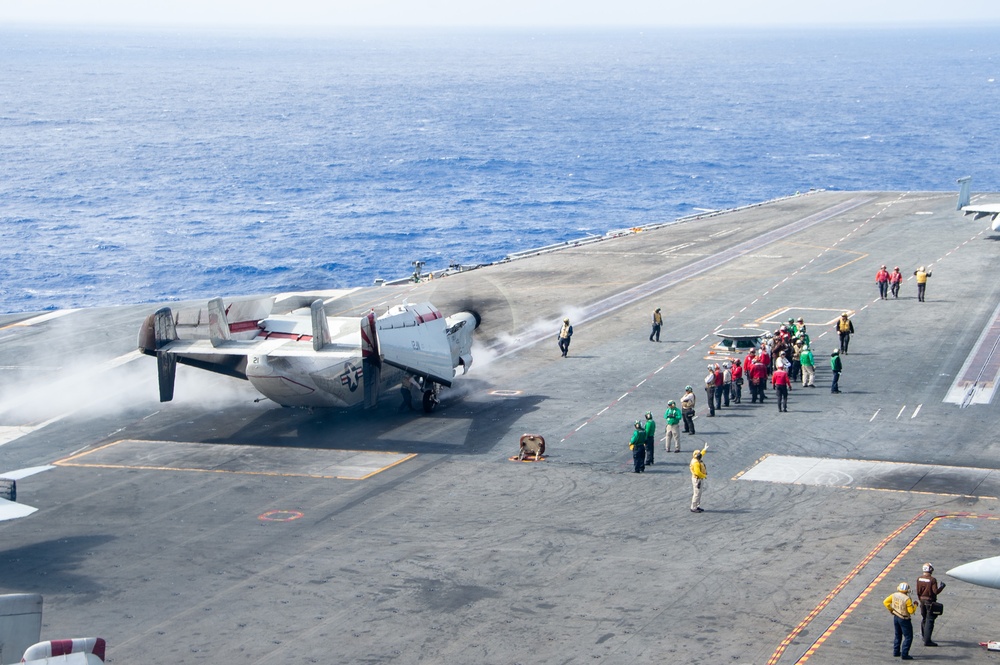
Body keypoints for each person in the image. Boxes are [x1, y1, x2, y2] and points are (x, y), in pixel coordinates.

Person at [883, 582, 916, 660]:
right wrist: (915, 606)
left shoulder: (894, 595)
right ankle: (904, 654)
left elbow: (885, 602)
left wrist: (891, 610)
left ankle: (896, 651)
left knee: (898, 635)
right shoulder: (907, 599)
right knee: (908, 637)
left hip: (896, 616)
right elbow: (911, 611)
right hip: (904, 619)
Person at [917, 563, 945, 647]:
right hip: (929, 601)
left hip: (922, 600)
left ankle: (923, 635)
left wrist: (920, 600)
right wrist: (942, 587)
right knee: (930, 620)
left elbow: (918, 591)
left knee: (924, 618)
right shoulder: (932, 580)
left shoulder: (919, 579)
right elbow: (935, 591)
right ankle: (927, 640)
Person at [690, 444, 708, 512]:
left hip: (699, 478)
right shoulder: (696, 463)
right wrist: (704, 476)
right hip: (697, 479)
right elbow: (697, 472)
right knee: (697, 493)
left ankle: (697, 505)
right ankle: (693, 507)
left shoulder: (696, 459)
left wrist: (704, 449)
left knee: (699, 493)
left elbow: (701, 454)